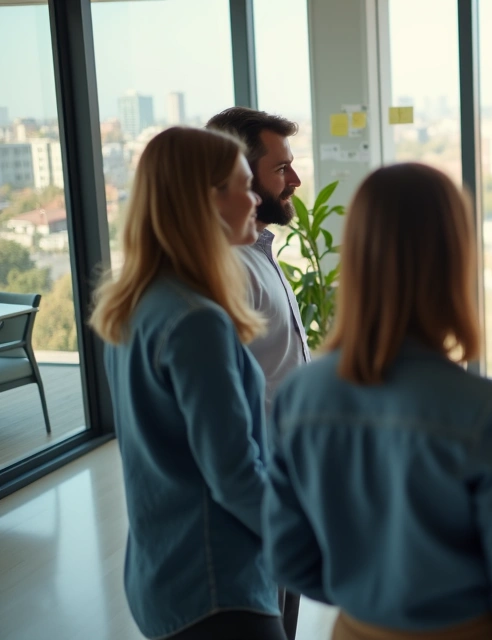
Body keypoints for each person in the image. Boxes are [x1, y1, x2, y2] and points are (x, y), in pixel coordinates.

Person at [263, 163, 492, 640]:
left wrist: (370, 593)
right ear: (452, 261)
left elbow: (287, 555)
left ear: (357, 258)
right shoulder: (485, 411)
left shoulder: (300, 395)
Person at [89, 127, 284, 640]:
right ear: (206, 200)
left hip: (163, 572)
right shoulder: (197, 320)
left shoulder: (137, 304)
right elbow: (234, 474)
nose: (256, 199)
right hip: (219, 585)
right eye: (244, 185)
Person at [206, 106, 310, 638]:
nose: (294, 179)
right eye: (281, 169)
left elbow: (274, 361)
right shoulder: (225, 269)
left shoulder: (258, 248)